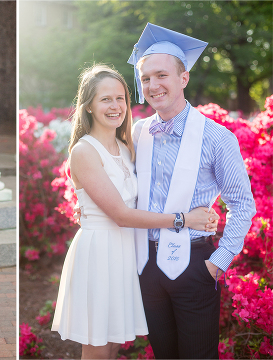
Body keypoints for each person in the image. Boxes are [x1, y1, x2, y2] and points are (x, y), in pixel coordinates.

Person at [51, 64, 219, 359]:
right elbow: (121, 214)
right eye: (105, 99)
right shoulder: (84, 151)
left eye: (121, 98)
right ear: (88, 105)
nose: (115, 106)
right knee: (97, 347)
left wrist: (206, 210)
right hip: (99, 252)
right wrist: (184, 219)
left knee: (114, 343)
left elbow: (153, 193)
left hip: (127, 252)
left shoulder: (127, 146)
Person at [126, 23, 255, 359]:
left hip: (195, 264)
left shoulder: (217, 137)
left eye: (161, 75)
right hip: (147, 264)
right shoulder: (139, 132)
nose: (153, 85)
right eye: (145, 78)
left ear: (183, 78)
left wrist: (218, 263)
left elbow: (242, 205)